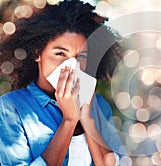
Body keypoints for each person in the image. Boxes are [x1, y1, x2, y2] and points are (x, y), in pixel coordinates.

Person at [0, 0, 124, 165]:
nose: (71, 65)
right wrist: (69, 120)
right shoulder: (12, 107)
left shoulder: (100, 105)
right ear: (38, 53)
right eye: (60, 54)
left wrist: (88, 117)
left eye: (80, 57)